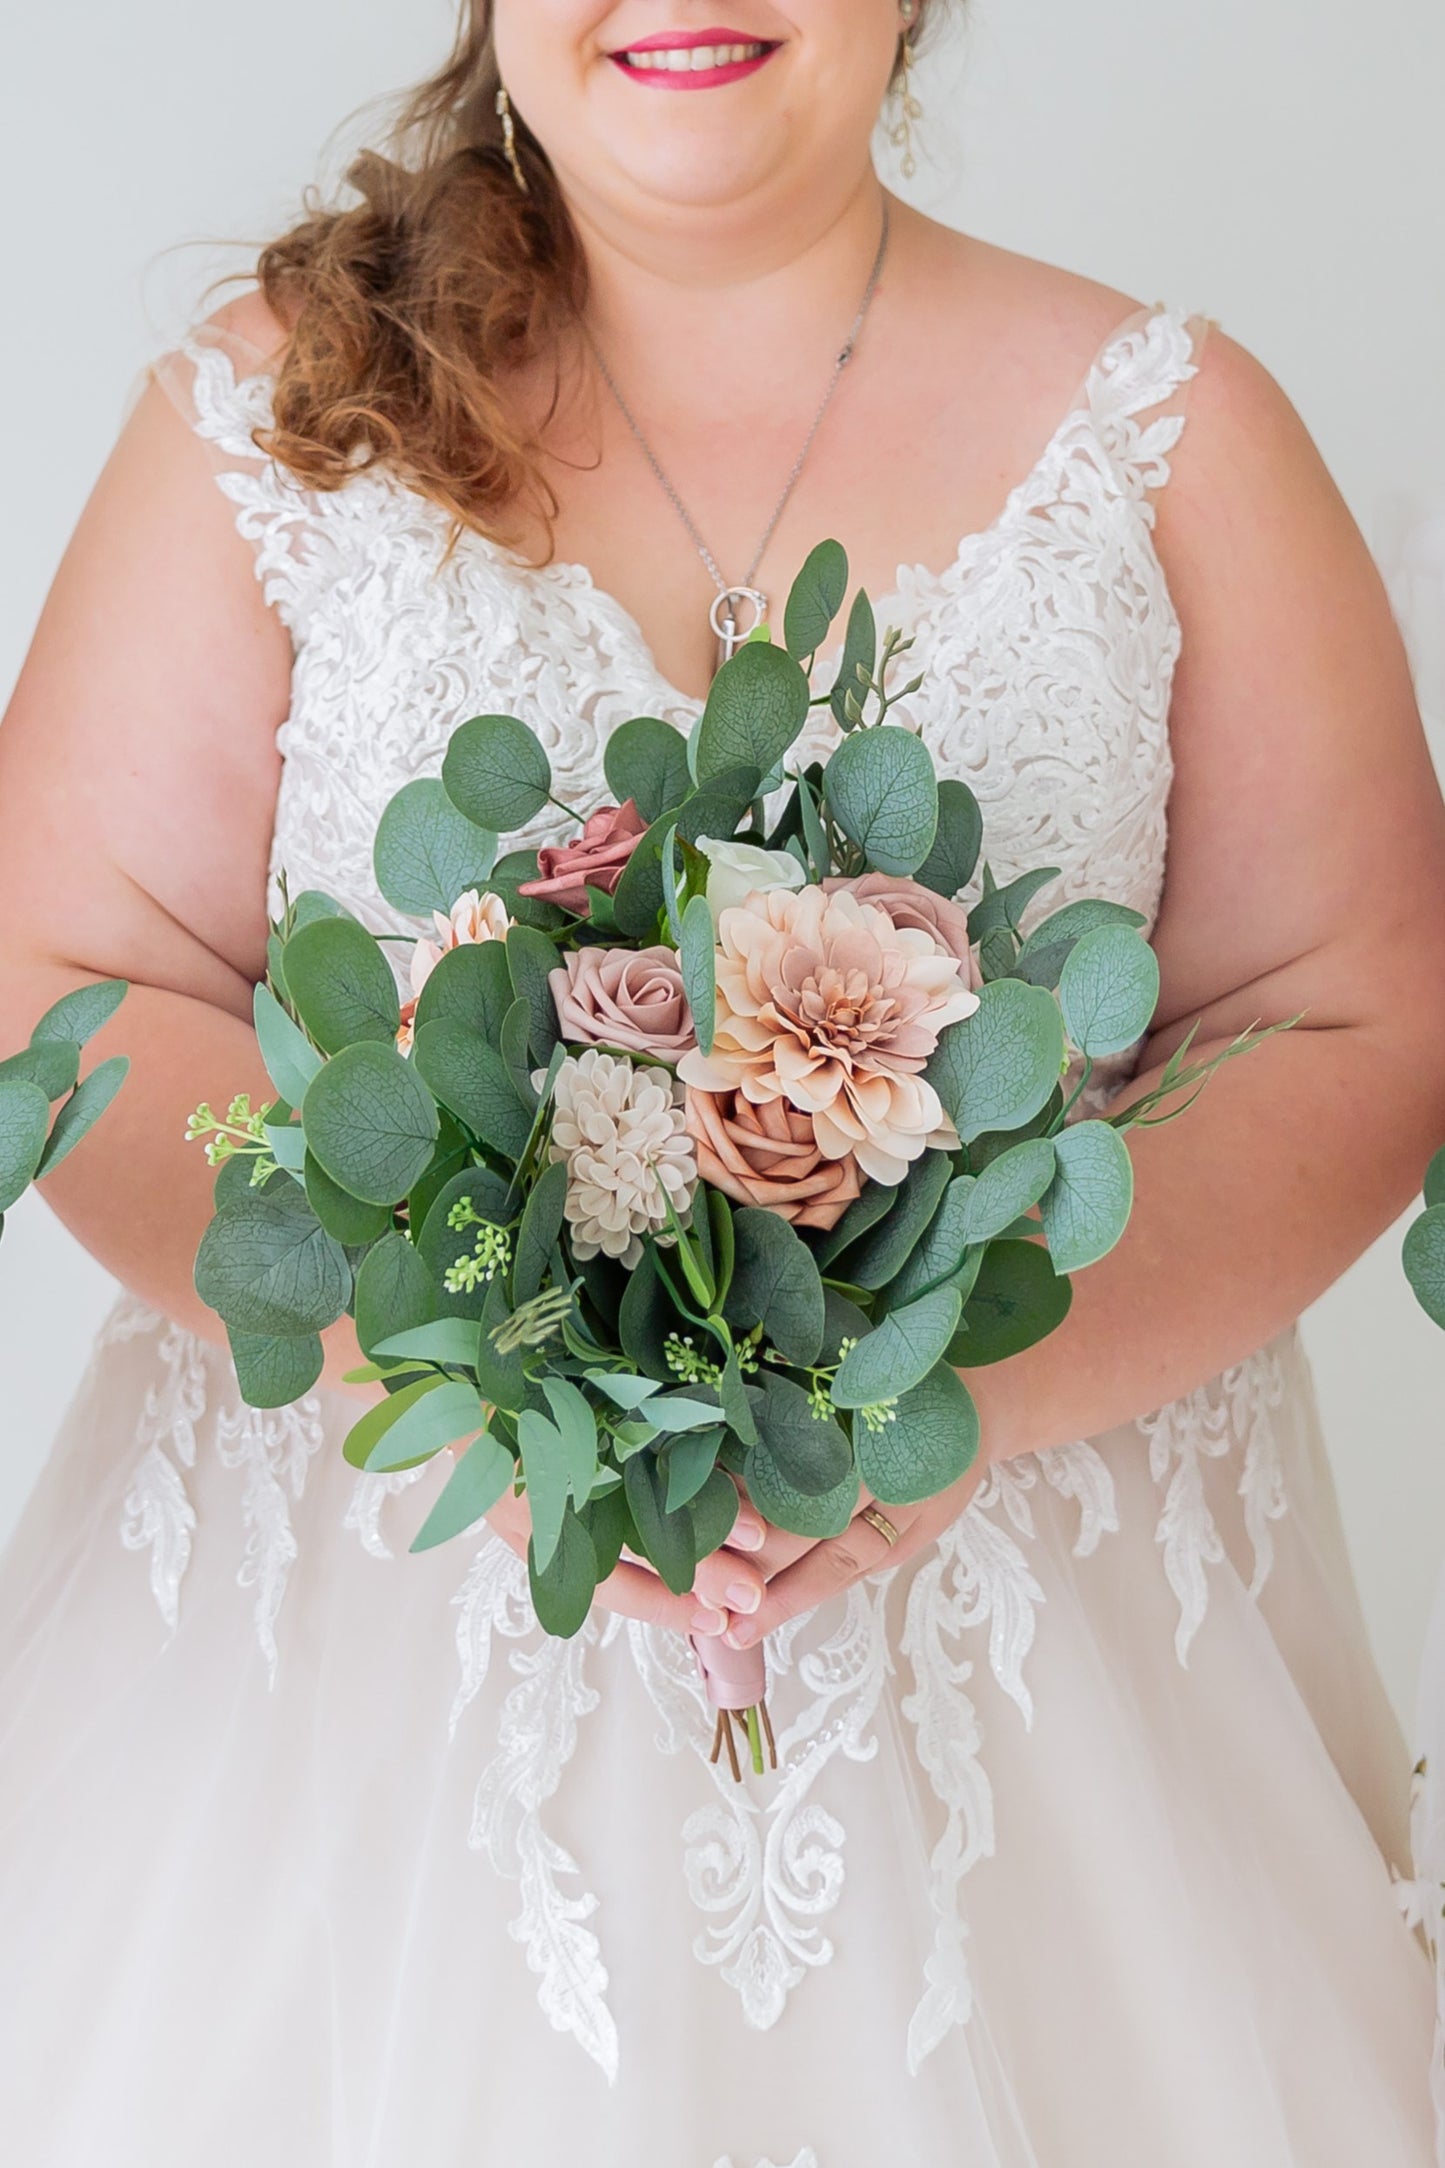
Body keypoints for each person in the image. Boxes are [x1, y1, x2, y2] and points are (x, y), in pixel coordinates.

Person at [1, 4, 1442, 2161]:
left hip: (1056, 1762)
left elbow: (1354, 1013)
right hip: (347, 1730)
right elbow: (70, 985)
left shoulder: (1173, 432)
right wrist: (478, 1372)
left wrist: (947, 1396)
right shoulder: (276, 414)